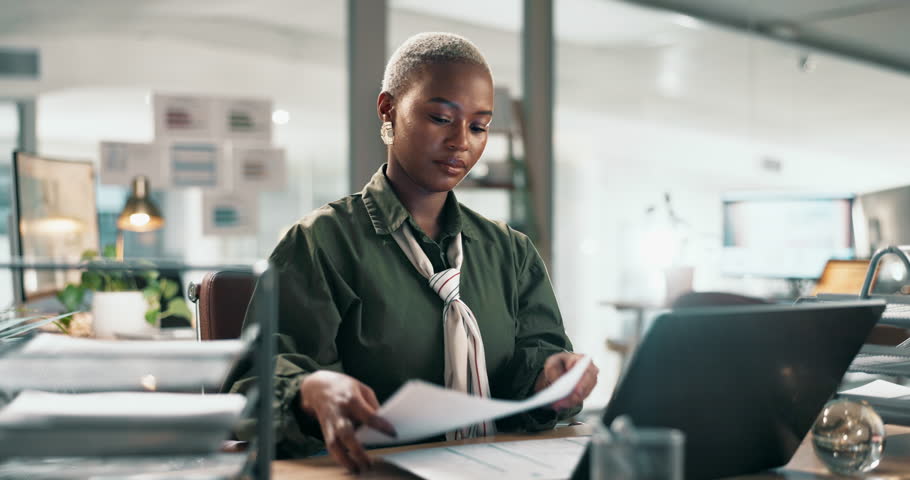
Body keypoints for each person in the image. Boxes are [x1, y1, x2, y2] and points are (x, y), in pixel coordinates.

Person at [226, 31, 599, 473]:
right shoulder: (322, 243)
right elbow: (252, 384)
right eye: (442, 118)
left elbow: (532, 372)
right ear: (388, 109)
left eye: (479, 126)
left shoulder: (511, 252)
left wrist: (552, 378)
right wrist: (308, 390)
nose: (462, 141)